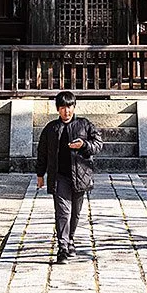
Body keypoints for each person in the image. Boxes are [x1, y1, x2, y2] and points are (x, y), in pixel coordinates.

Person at [35, 90, 102, 262]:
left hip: (80, 175)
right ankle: (62, 247)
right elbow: (42, 152)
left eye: (70, 107)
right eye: (63, 107)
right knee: (63, 212)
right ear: (58, 109)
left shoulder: (84, 125)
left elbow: (98, 144)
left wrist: (84, 144)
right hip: (60, 176)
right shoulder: (51, 128)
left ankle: (70, 239)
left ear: (74, 107)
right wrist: (40, 174)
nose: (67, 111)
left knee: (75, 213)